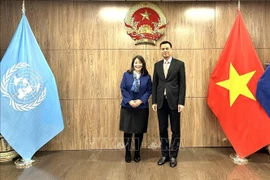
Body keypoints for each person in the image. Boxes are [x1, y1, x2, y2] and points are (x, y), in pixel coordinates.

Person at [152, 41, 186, 168]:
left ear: (171, 49)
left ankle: (173, 156)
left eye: (167, 48)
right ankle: (165, 154)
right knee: (162, 129)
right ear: (160, 51)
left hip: (174, 102)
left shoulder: (179, 64)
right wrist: (154, 101)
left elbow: (182, 85)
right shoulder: (157, 65)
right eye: (162, 49)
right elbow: (154, 84)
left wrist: (181, 102)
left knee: (175, 130)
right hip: (161, 102)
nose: (165, 51)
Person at [119, 55, 152, 163]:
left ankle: (137, 152)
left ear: (143, 64)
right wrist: (129, 100)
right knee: (128, 131)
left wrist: (140, 100)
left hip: (141, 107)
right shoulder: (126, 74)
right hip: (128, 107)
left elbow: (149, 90)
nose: (138, 64)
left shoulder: (147, 76)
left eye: (140, 62)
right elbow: (123, 88)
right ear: (133, 64)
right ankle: (128, 152)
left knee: (139, 131)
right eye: (136, 62)